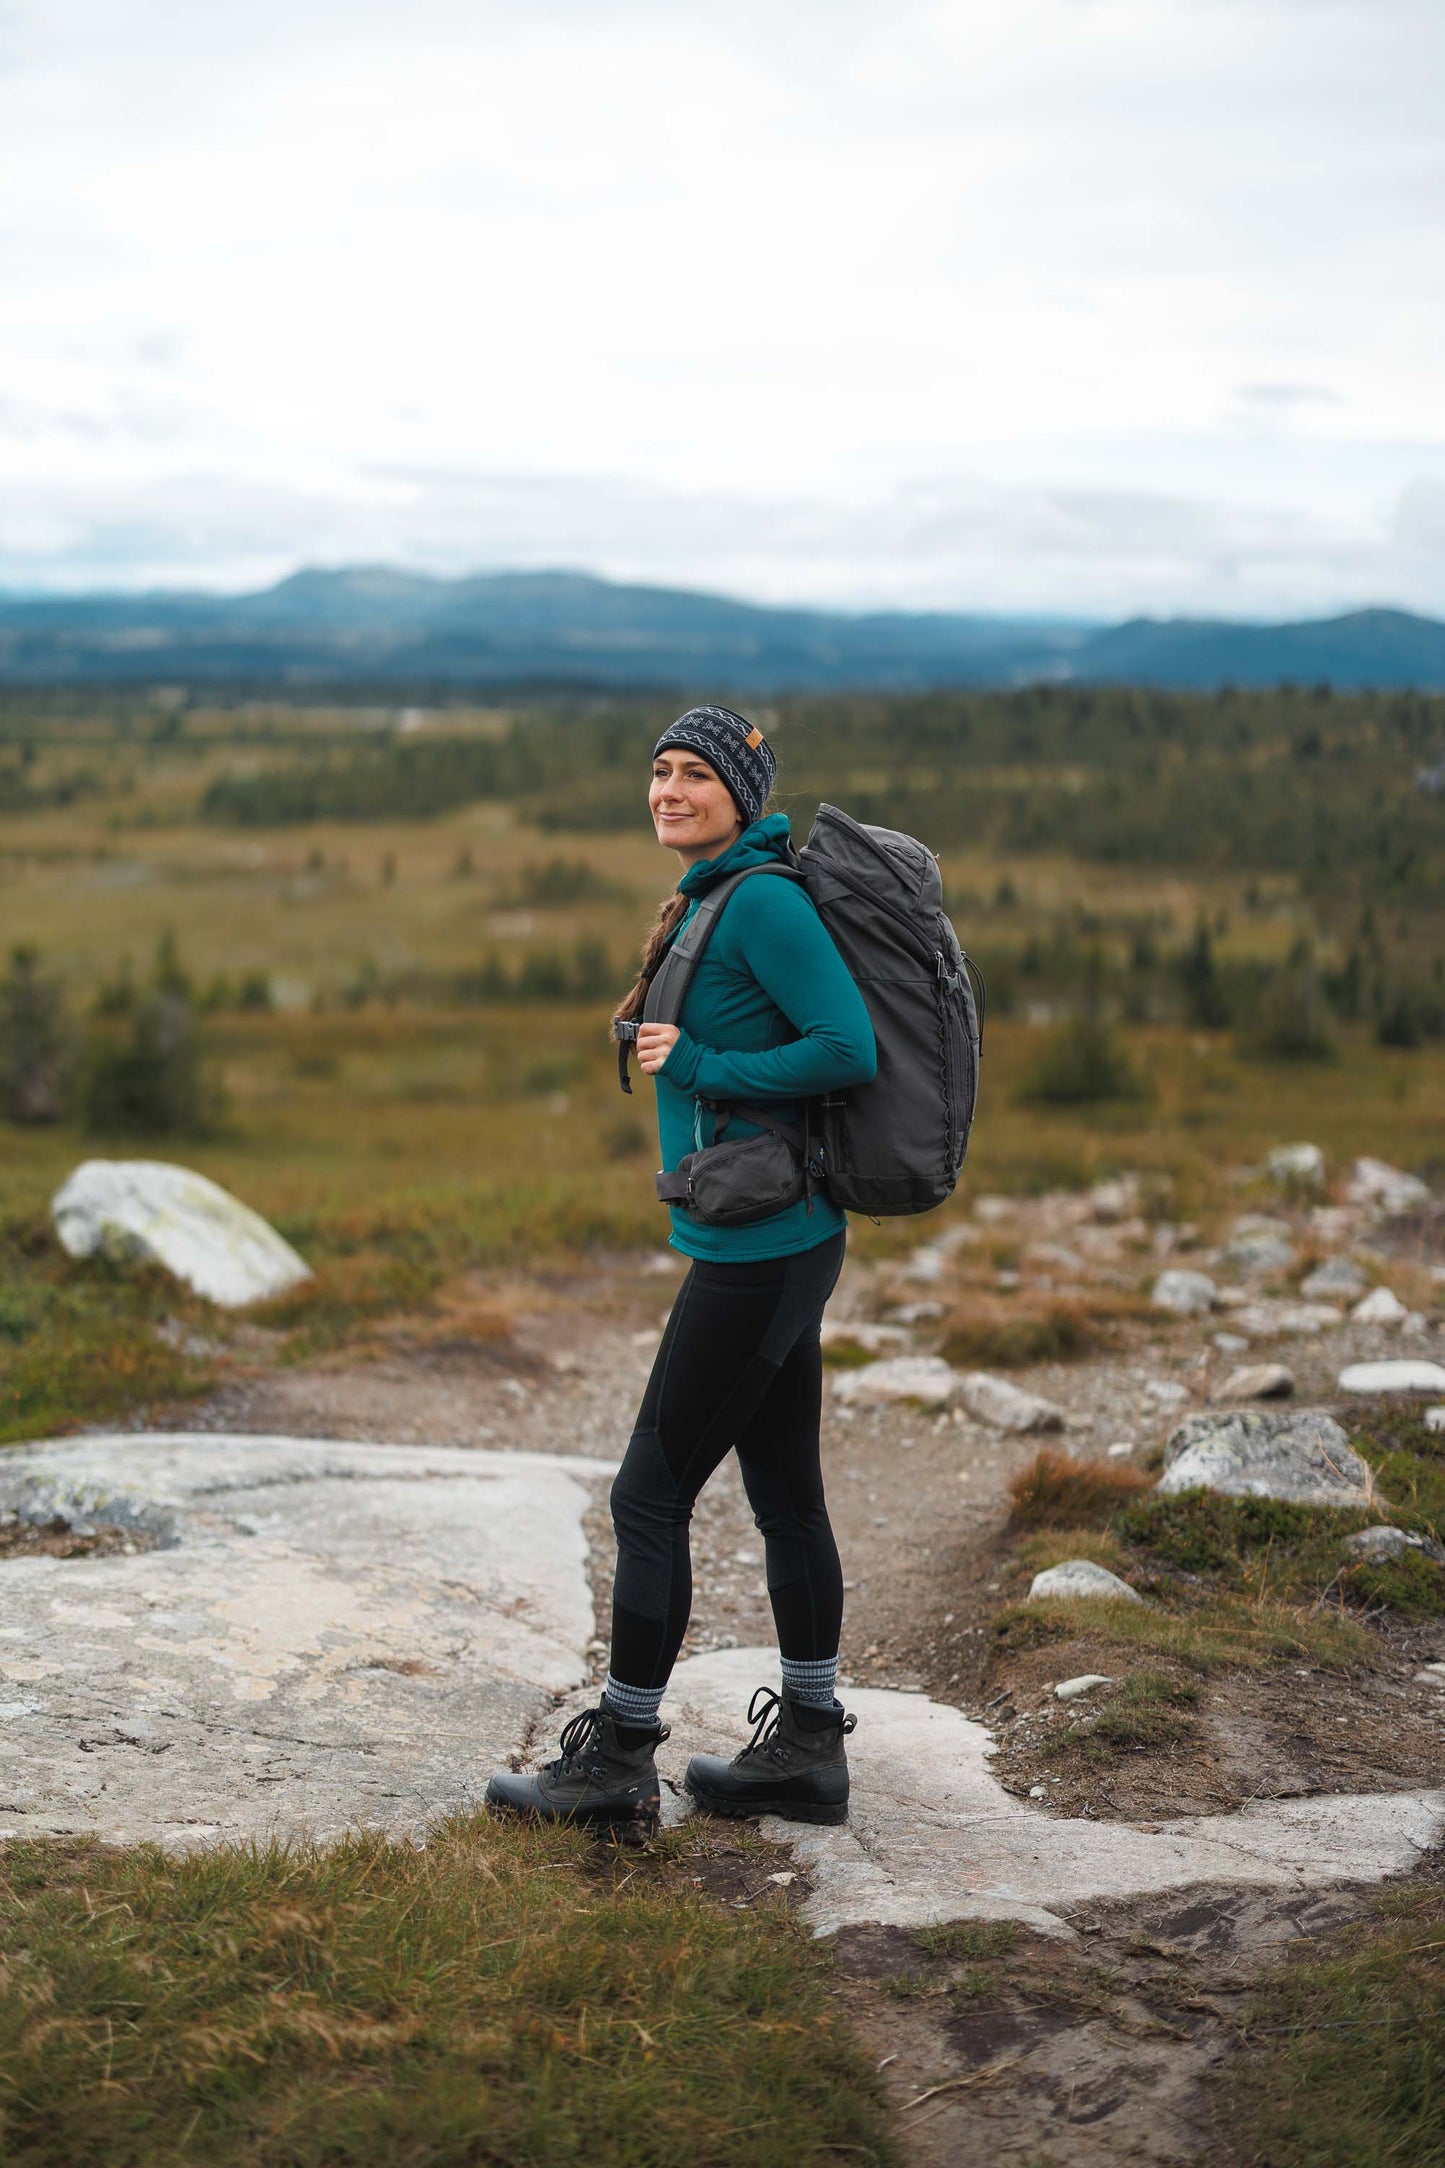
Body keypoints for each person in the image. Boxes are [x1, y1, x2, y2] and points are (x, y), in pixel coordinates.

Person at [486, 705, 876, 1835]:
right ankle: (805, 1746)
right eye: (657, 769)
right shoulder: (713, 894)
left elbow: (845, 1044)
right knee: (783, 1493)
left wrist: (702, 1058)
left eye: (696, 773)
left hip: (761, 1252)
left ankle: (615, 1758)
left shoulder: (760, 901)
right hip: (769, 1240)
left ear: (742, 796)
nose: (668, 789)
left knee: (647, 1492)